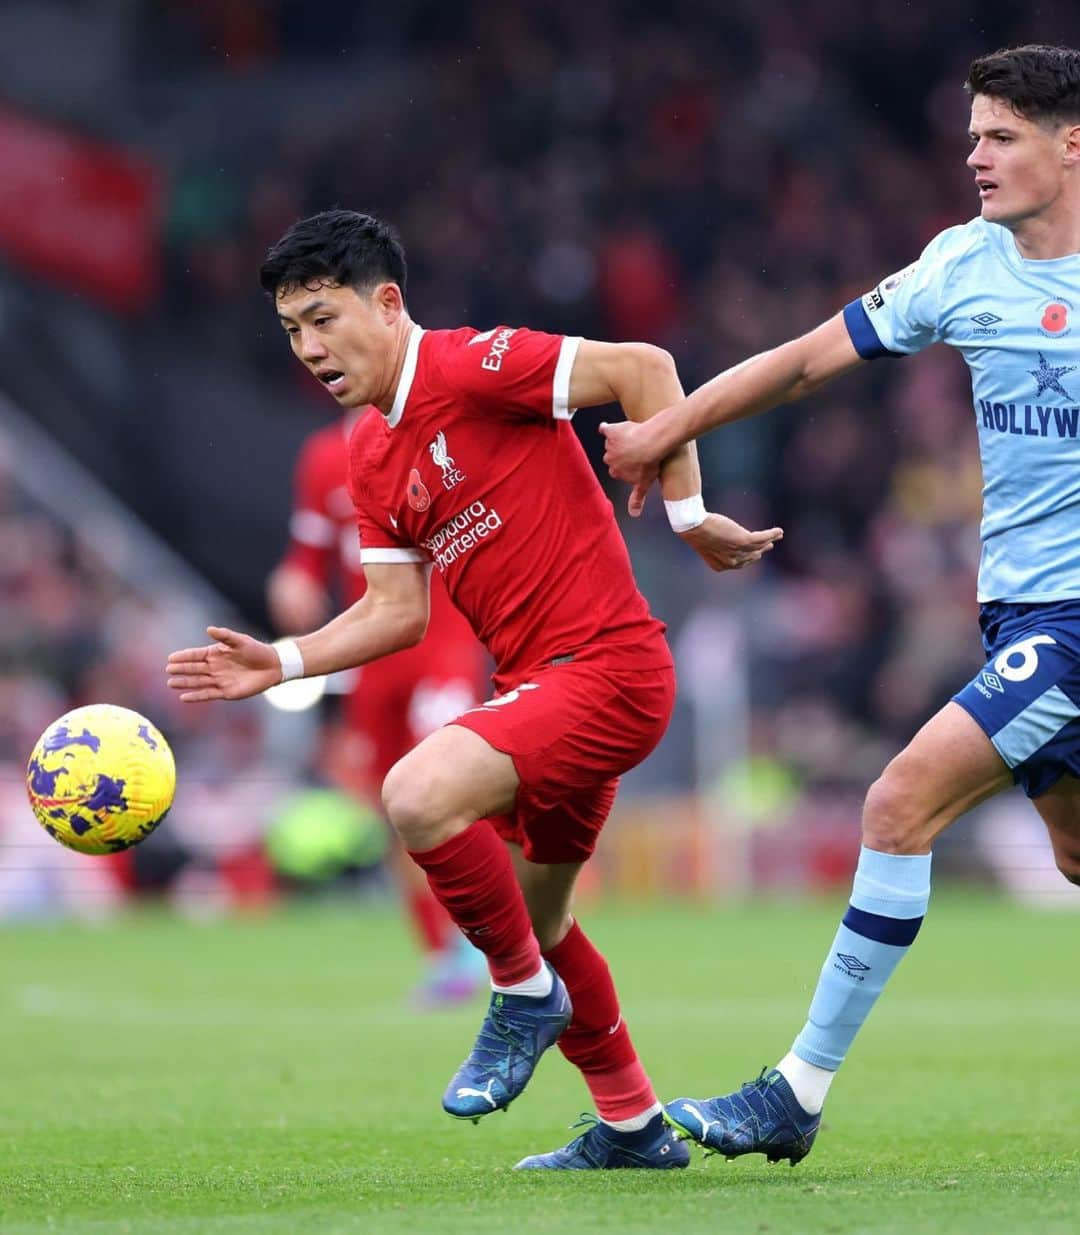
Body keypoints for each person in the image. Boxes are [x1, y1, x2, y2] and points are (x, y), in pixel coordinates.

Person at [166, 209, 783, 1170]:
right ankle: (632, 1125)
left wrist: (690, 512)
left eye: (324, 319)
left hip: (610, 670)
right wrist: (280, 662)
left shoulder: (472, 365)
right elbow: (393, 613)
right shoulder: (370, 454)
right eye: (292, 331)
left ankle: (520, 993)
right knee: (545, 920)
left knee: (415, 793)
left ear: (388, 302)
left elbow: (645, 368)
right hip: (545, 691)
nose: (310, 348)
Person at [600, 43, 1080, 1166]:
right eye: (972, 135)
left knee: (897, 802)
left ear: (1073, 144)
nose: (975, 155)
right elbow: (810, 359)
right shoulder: (964, 265)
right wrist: (675, 427)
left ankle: (795, 1091)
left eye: (1001, 135)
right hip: (1015, 609)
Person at [268, 413, 489, 1005]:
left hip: (441, 648)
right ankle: (443, 952)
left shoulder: (437, 438)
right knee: (395, 811)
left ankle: (496, 934)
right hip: (371, 661)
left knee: (450, 787)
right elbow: (307, 556)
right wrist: (292, 583)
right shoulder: (321, 455)